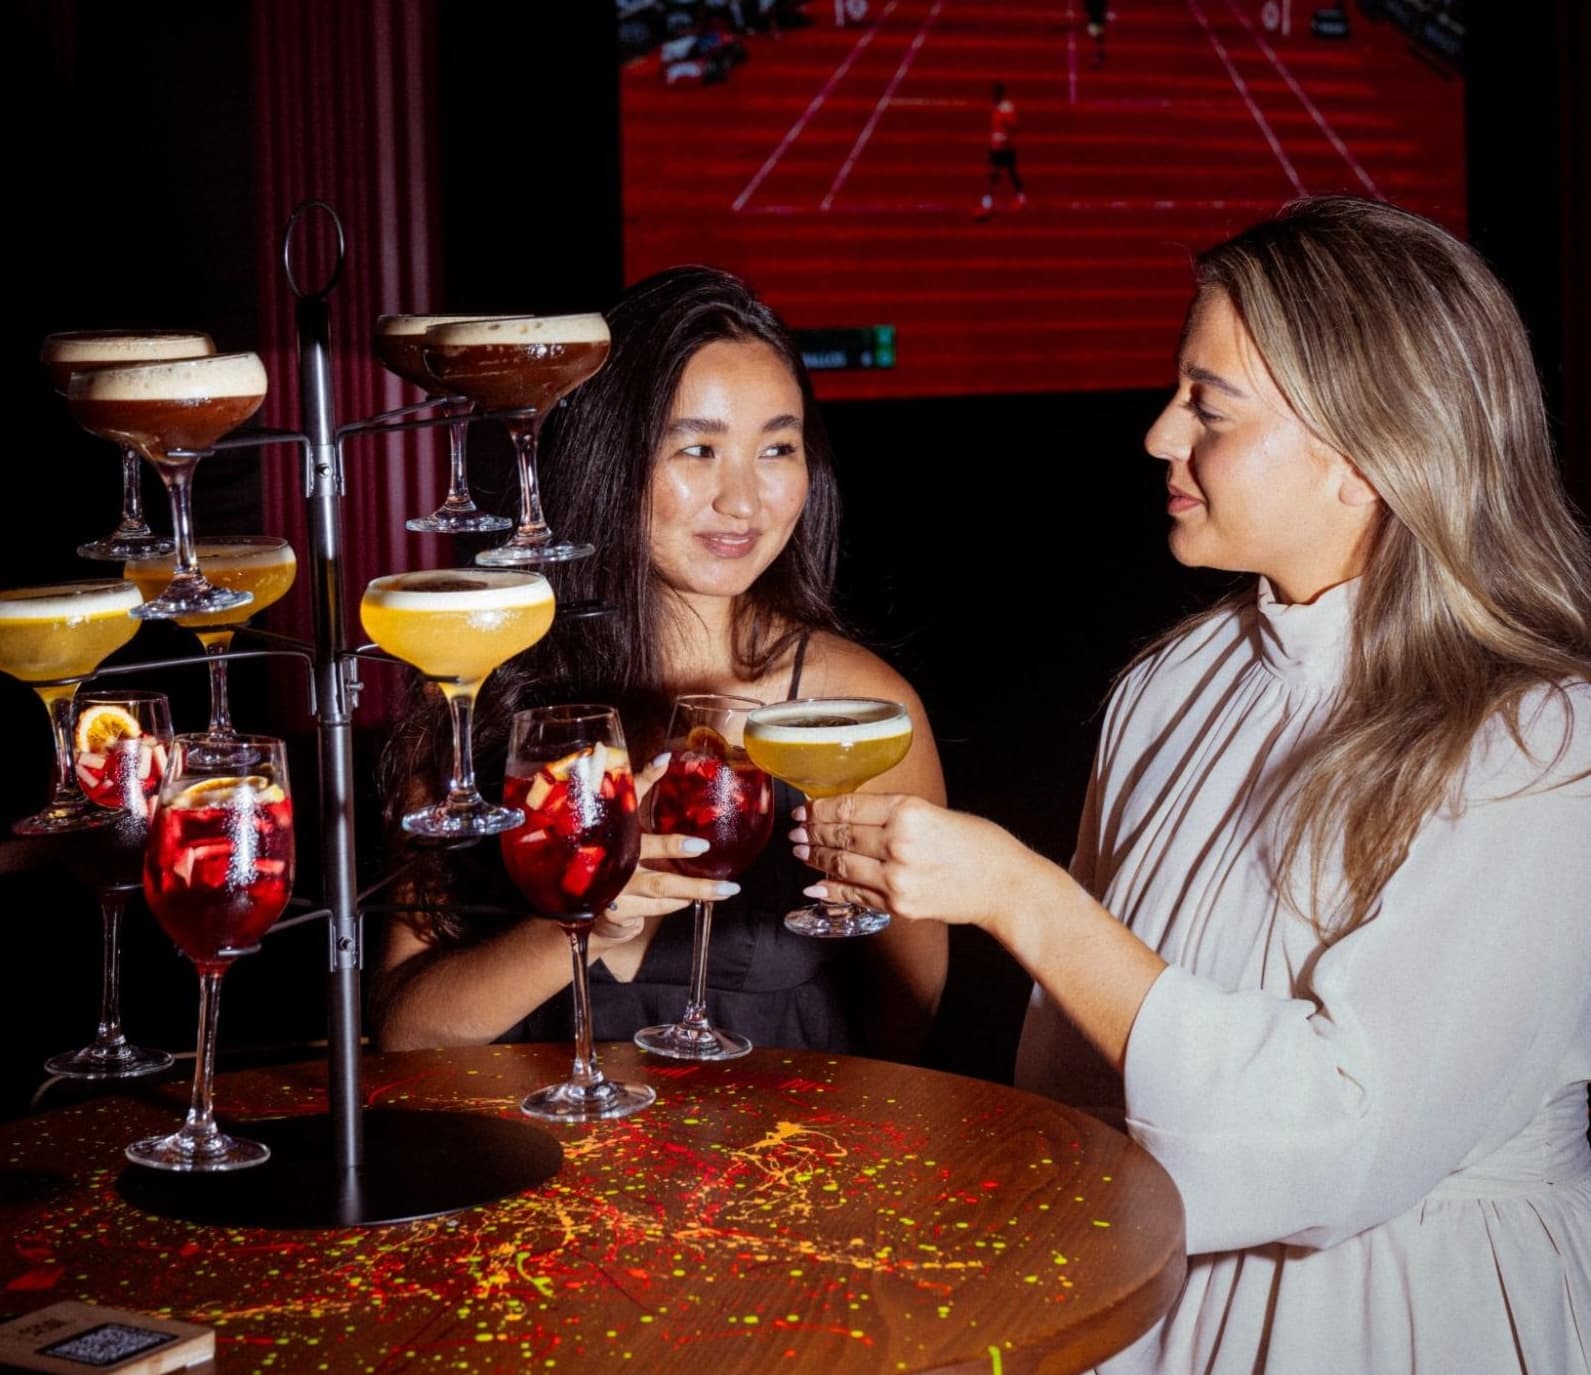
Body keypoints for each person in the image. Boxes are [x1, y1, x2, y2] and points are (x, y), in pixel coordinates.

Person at [791, 197, 1591, 1372]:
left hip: (1412, 1312)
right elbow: (1074, 1074)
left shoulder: (1541, 743)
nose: (1160, 436)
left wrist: (1022, 894)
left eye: (1206, 406)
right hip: (1153, 1298)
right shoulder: (1174, 676)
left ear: (1363, 455)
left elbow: (1344, 1141)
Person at [374, 265, 947, 1061]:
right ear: (613, 459)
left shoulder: (860, 713)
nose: (743, 500)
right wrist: (586, 919)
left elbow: (907, 1024)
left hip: (786, 1166)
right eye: (698, 448)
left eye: (776, 447)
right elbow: (406, 1030)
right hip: (548, 1163)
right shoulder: (493, 690)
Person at [975, 81, 1025, 220]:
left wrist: (1005, 128)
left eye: (995, 93)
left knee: (997, 174)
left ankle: (987, 204)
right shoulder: (997, 106)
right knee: (1007, 172)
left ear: (1000, 93)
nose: (993, 95)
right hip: (997, 146)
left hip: (1004, 147)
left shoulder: (1005, 107)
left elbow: (1013, 124)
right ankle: (1020, 198)